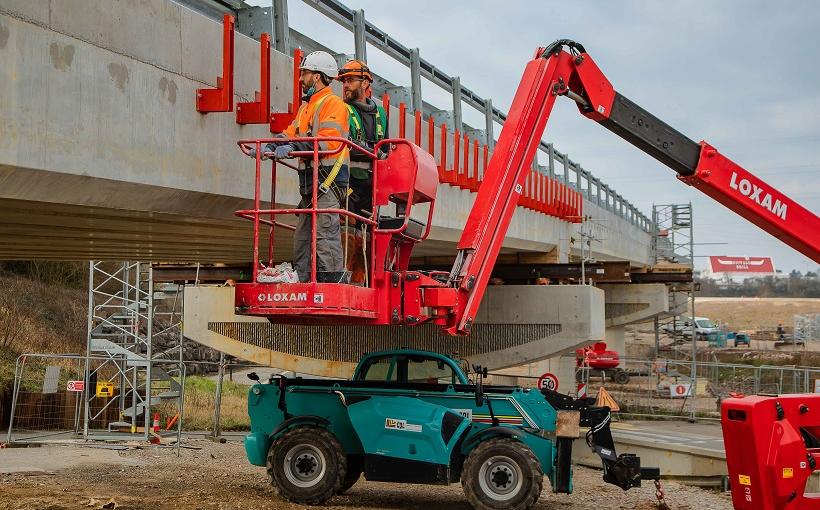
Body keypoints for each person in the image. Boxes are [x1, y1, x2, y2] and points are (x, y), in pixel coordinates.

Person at [248, 51, 349, 283]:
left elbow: (328, 142)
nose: (301, 79)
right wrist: (270, 146)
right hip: (311, 183)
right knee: (303, 235)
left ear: (318, 76)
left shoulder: (333, 104)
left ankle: (332, 283)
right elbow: (290, 134)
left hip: (328, 182)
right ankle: (303, 279)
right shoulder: (306, 108)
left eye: (304, 73)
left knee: (324, 233)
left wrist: (293, 144)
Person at [336, 59, 388, 220]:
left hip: (372, 185)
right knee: (348, 233)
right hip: (349, 182)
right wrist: (375, 153)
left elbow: (386, 149)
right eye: (344, 81)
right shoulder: (341, 109)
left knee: (367, 234)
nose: (345, 85)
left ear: (365, 83)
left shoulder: (380, 113)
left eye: (350, 80)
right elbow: (346, 143)